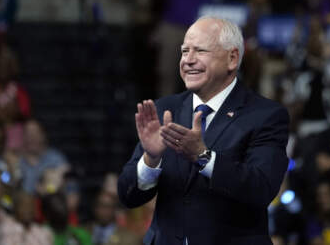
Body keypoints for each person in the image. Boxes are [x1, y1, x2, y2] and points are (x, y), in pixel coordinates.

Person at [118, 16, 289, 245]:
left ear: (232, 58)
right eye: (184, 50)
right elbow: (128, 195)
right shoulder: (165, 109)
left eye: (200, 51)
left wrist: (204, 157)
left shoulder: (265, 116)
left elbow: (261, 189)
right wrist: (151, 158)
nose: (187, 60)